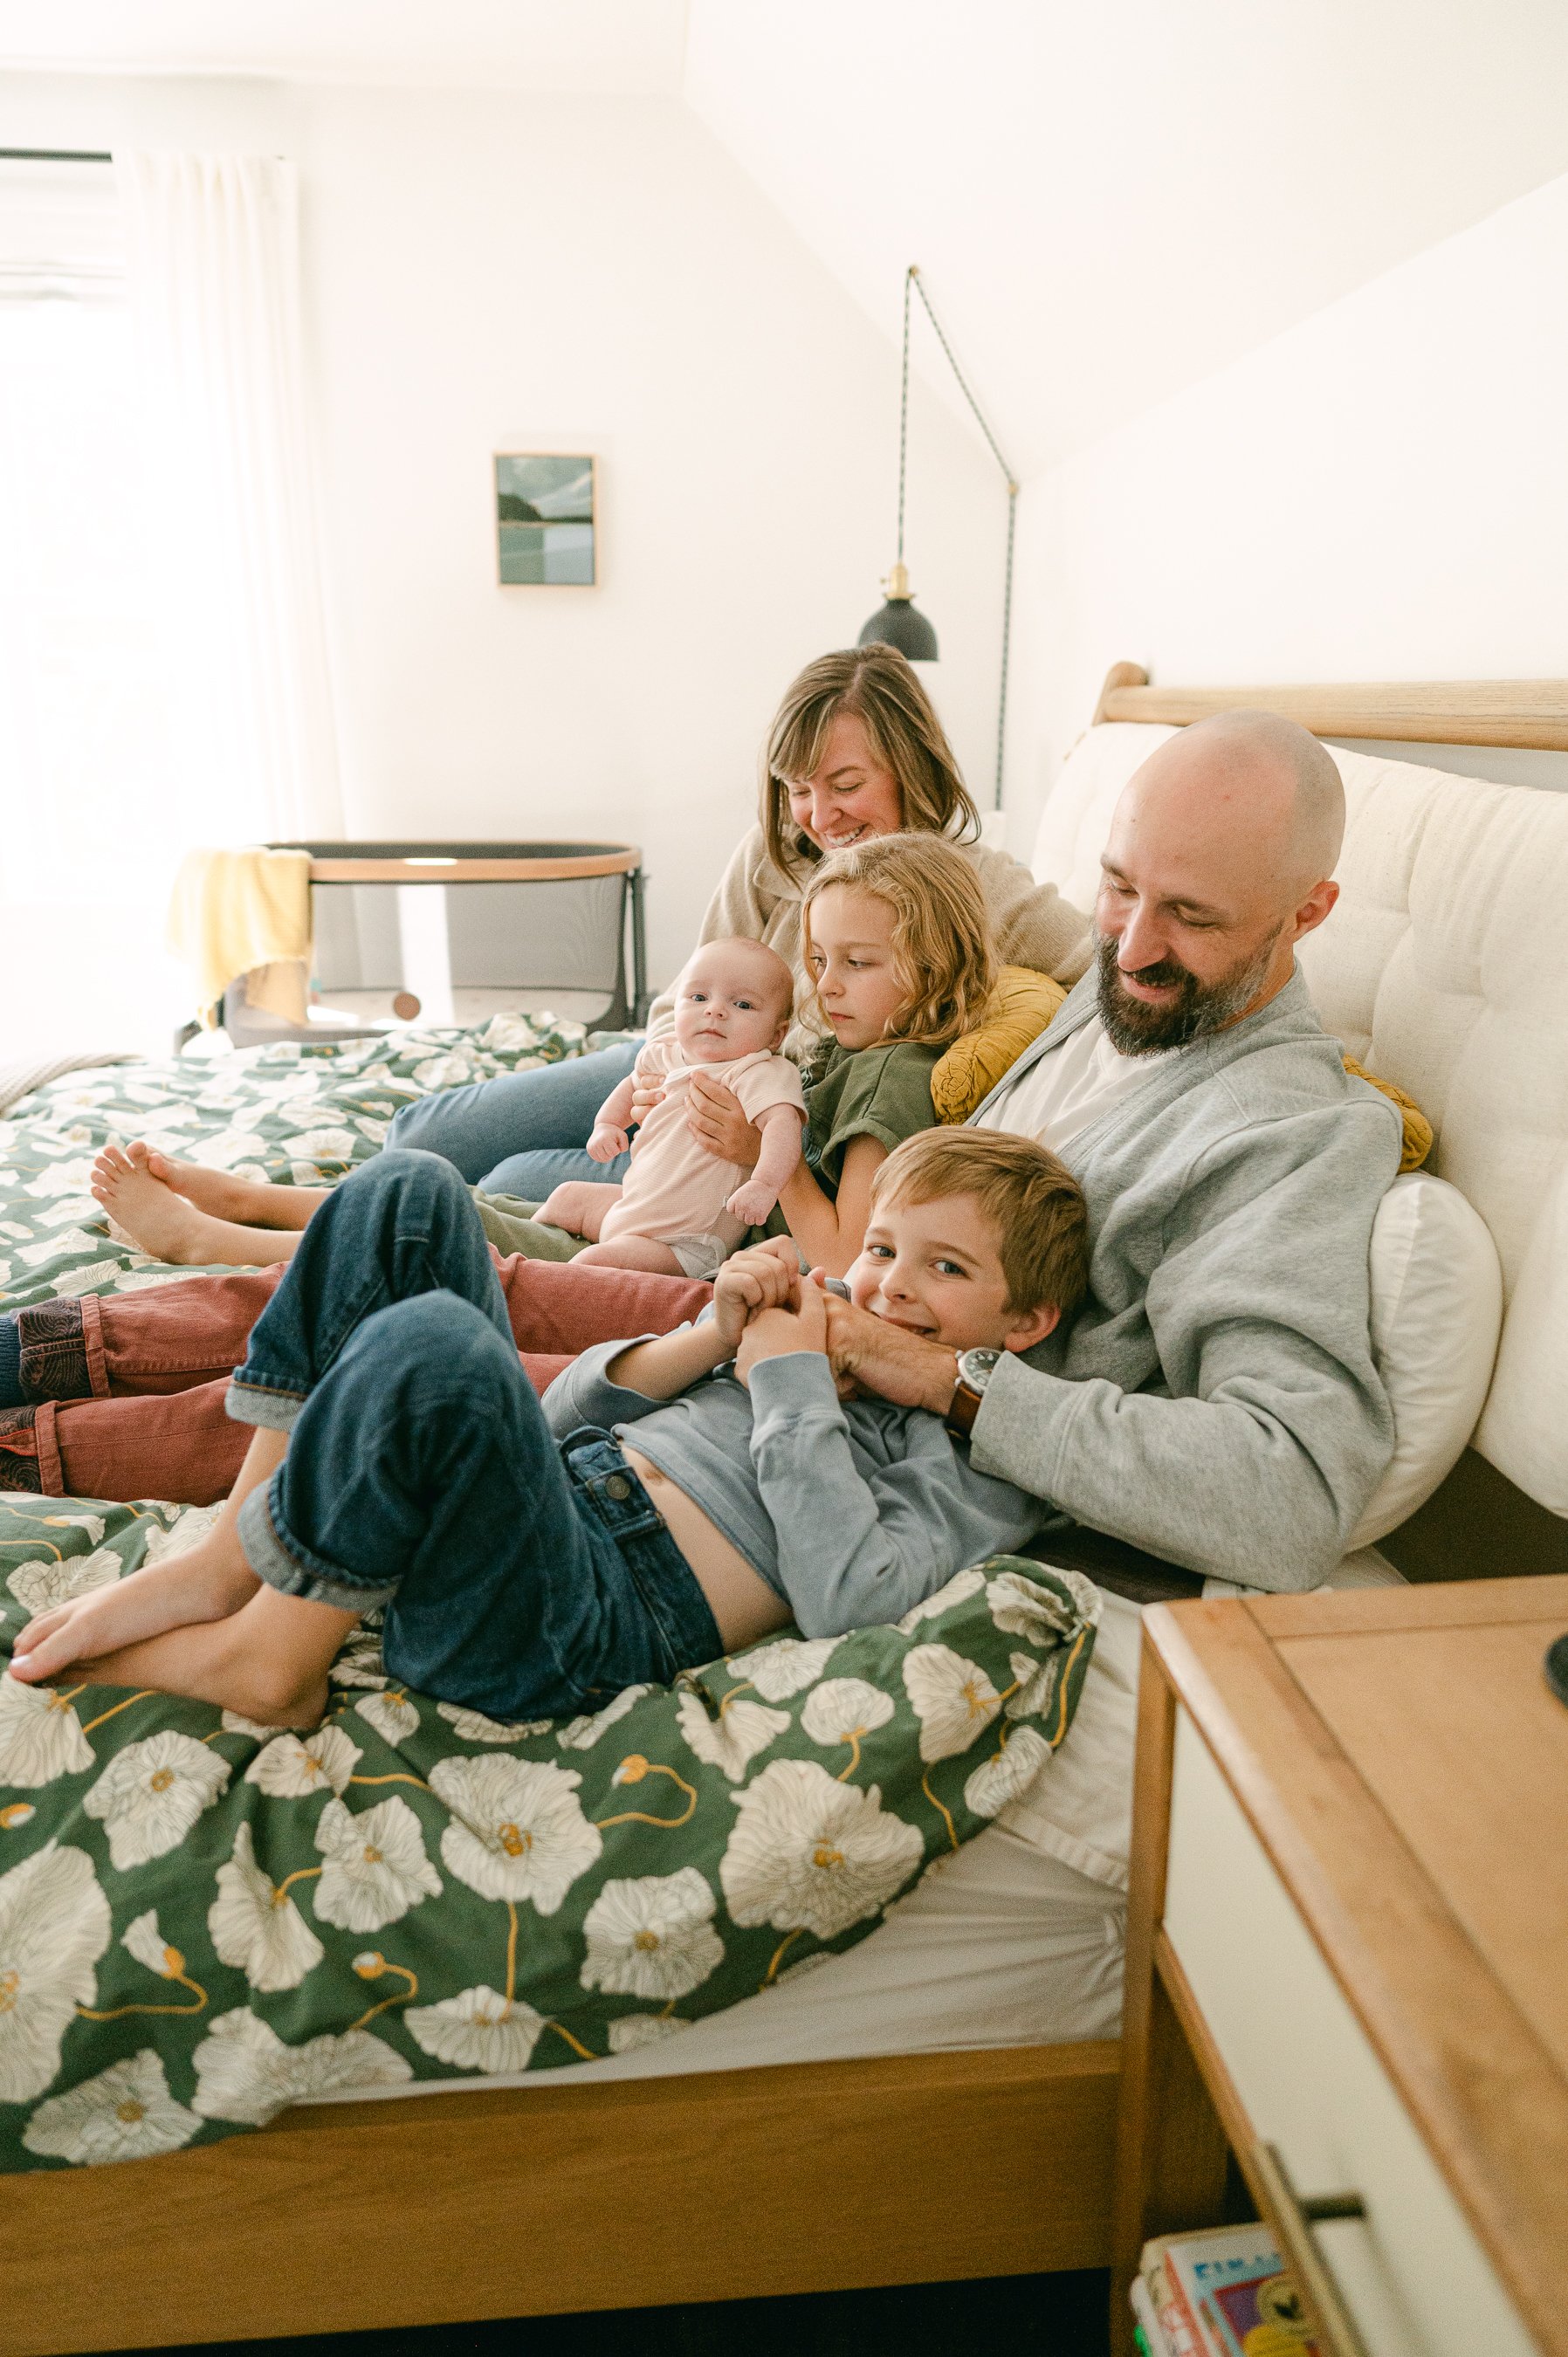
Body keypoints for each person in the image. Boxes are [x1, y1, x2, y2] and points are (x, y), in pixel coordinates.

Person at [0, 711, 1400, 1597]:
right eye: (1119, 889)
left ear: (1311, 911)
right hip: (797, 1308)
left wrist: (923, 1366)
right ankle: (30, 1352)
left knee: (415, 1371)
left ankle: (25, 1452)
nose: (1135, 944)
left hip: (857, 1396)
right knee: (410, 1252)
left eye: (1191, 919)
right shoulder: (1107, 994)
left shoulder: (1291, 1131)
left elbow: (1291, 1497)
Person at [9, 1130, 1089, 1728]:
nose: (891, 1287)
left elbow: (851, 1599)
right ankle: (224, 1564)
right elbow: (556, 1413)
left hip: (582, 1621)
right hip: (546, 1506)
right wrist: (712, 1339)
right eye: (883, 1250)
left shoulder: (977, 1465)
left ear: (1025, 1324)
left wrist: (792, 1385)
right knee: (406, 1192)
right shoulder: (812, 1327)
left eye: (945, 1270)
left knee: (435, 1346)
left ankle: (268, 1661)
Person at [86, 833, 1002, 1284]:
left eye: (856, 964)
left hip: (676, 1263)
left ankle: (219, 1241)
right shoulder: (859, 1048)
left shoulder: (893, 1077)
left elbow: (845, 1255)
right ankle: (249, 1200)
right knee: (461, 1202)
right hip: (652, 1208)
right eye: (819, 961)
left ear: (934, 963)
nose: (826, 985)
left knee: (451, 1237)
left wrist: (756, 1156)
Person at [381, 643, 1090, 1199]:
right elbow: (686, 994)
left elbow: (1098, 967)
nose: (821, 816)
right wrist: (668, 1067)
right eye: (799, 789)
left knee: (504, 1181)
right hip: (673, 1066)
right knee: (423, 1134)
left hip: (739, 1140)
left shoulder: (974, 886)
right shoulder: (774, 854)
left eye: (846, 785)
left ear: (914, 767)